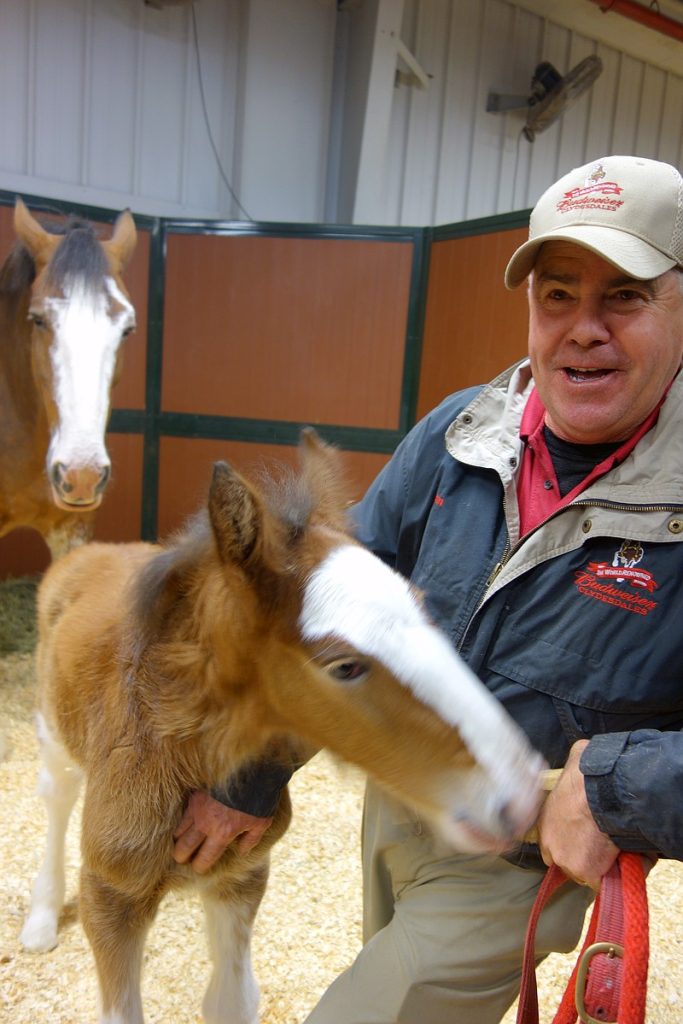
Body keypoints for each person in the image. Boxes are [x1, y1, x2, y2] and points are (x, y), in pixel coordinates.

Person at [172, 153, 683, 1023]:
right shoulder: (457, 433)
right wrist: (250, 776)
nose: (582, 327)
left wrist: (620, 787)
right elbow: (318, 620)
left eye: (624, 297)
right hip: (402, 801)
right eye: (556, 294)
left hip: (522, 854)